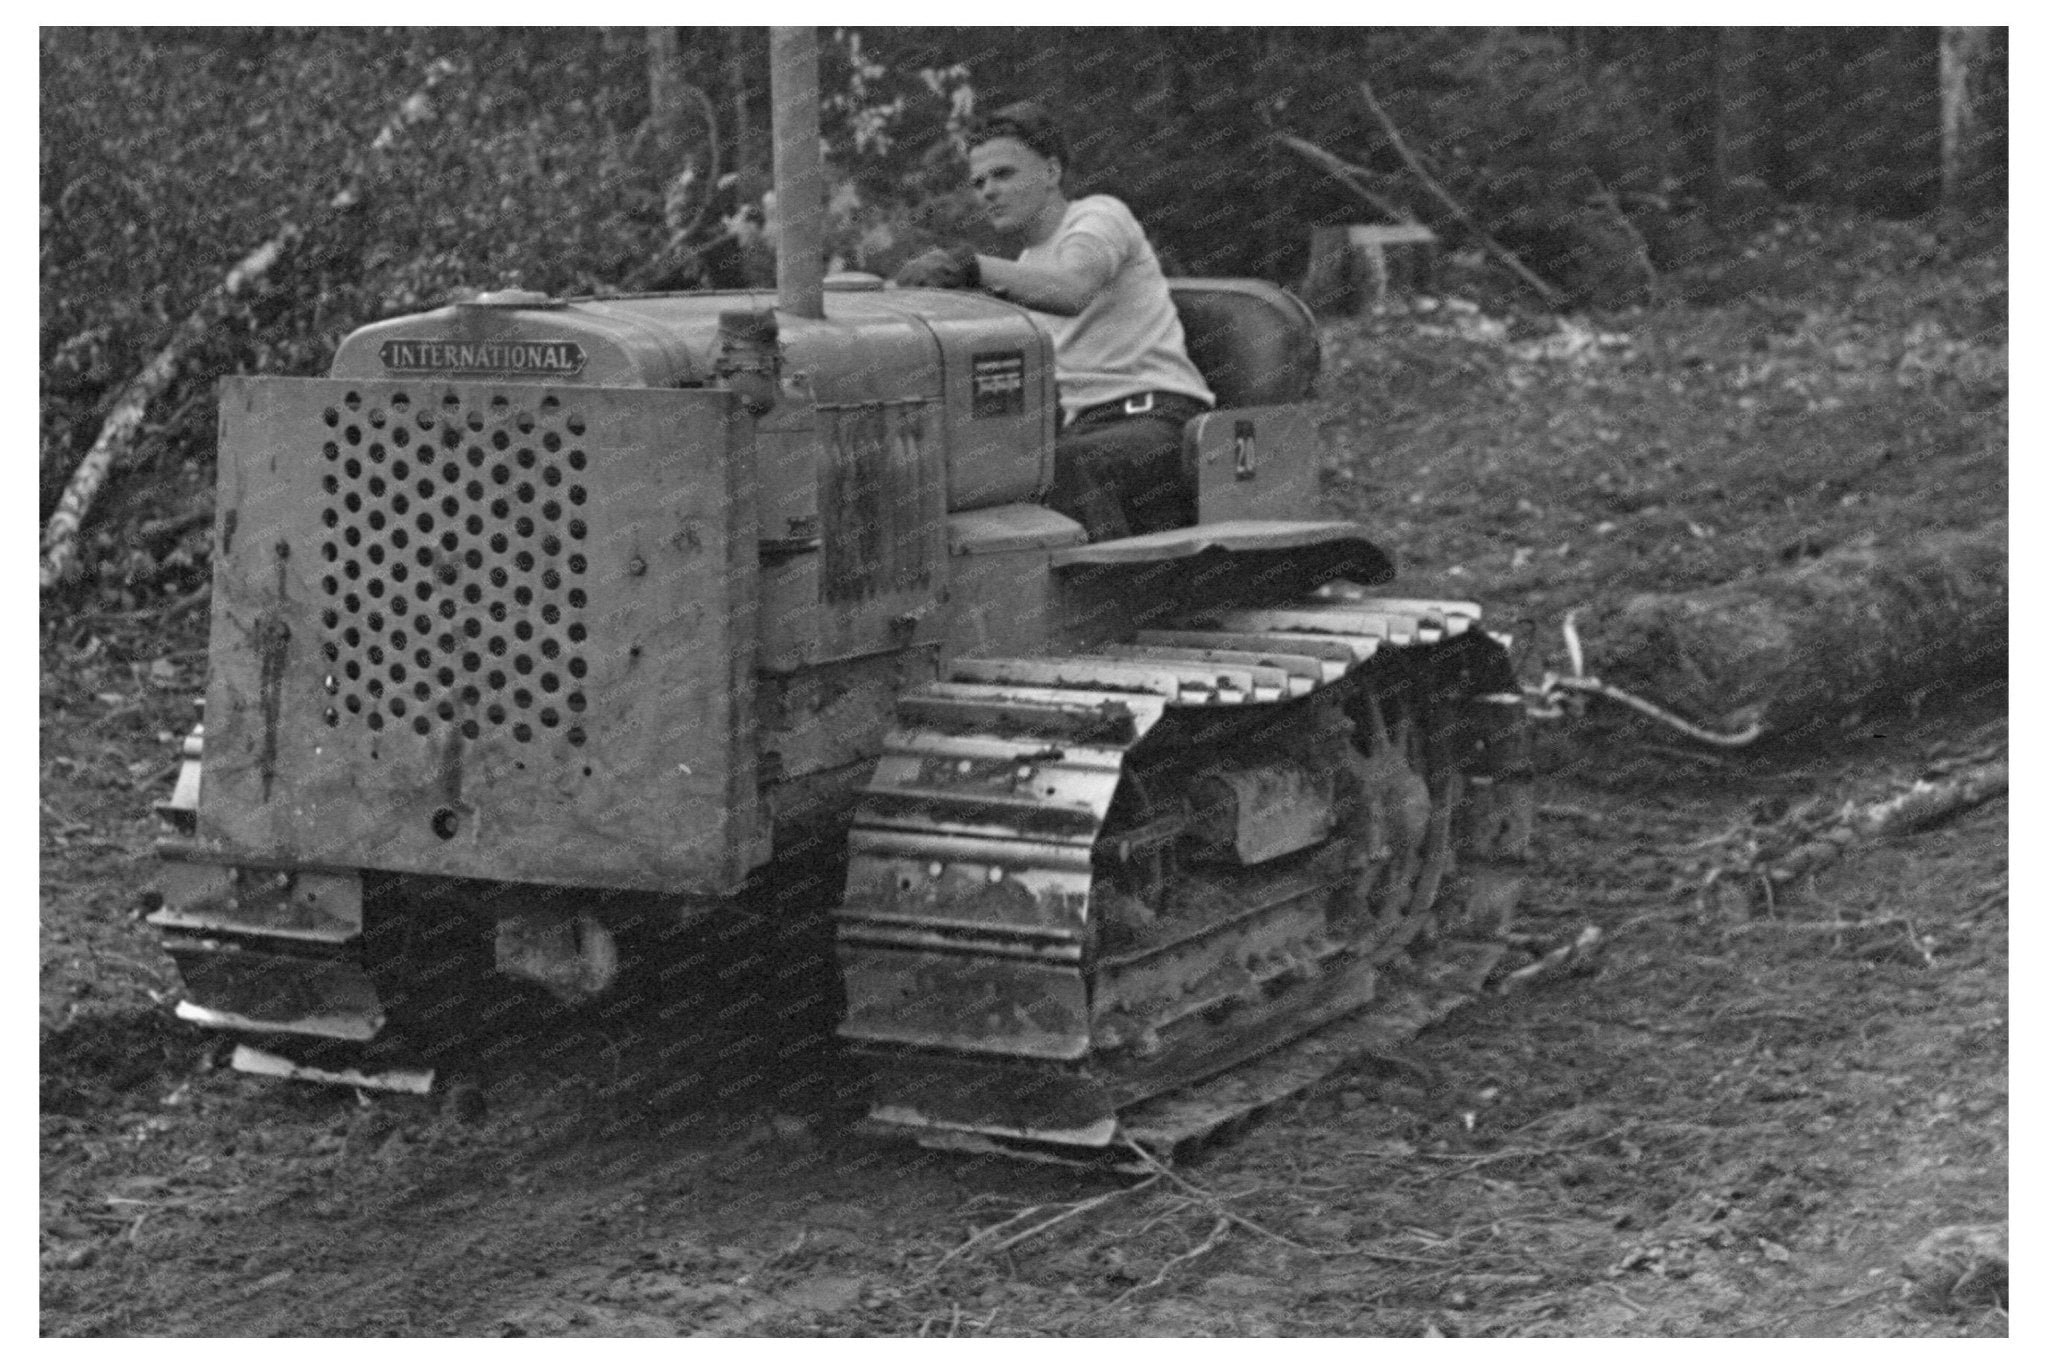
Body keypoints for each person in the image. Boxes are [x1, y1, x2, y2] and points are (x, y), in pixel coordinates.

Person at [895, 102, 1214, 540]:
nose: (988, 191)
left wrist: (973, 267)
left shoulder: (1098, 216)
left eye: (1003, 174)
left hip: (1157, 422)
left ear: (1051, 171)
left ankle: (1108, 585)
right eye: (979, 182)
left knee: (1063, 468)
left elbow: (1072, 290)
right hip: (1087, 432)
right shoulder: (1026, 267)